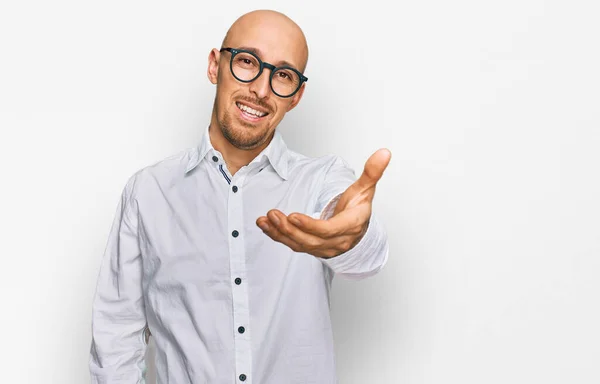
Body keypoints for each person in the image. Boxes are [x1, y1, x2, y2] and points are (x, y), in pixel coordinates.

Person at [89, 9, 391, 384]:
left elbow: (365, 252)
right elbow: (116, 339)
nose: (262, 91)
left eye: (283, 75)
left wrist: (351, 237)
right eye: (248, 62)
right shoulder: (148, 192)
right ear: (215, 66)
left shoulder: (322, 181)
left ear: (296, 95)